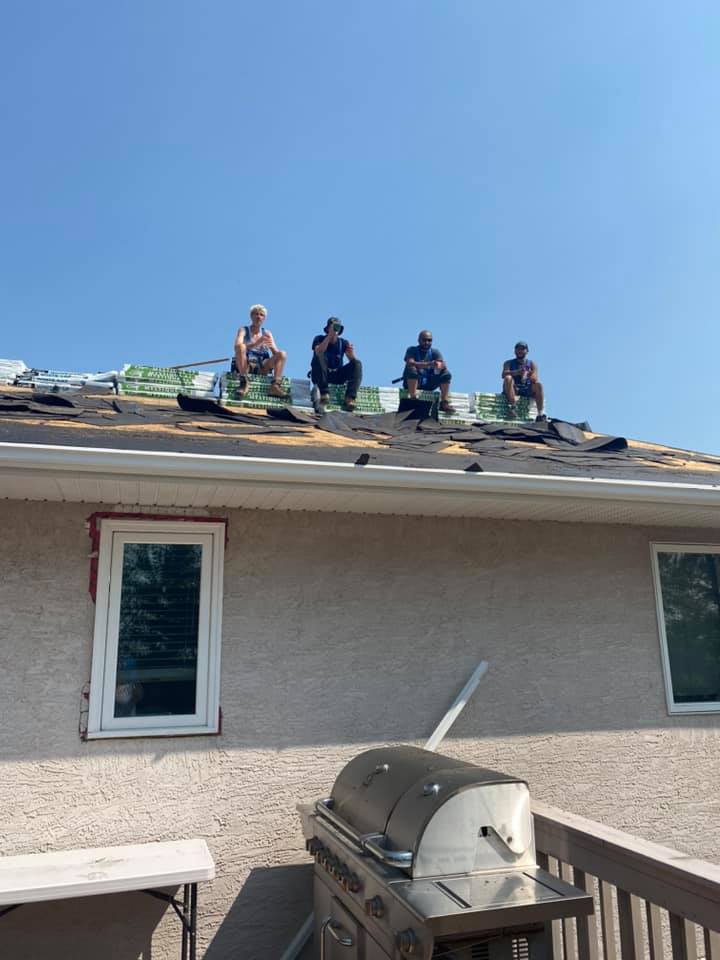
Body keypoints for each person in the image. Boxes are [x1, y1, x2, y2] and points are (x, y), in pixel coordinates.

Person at [233, 304, 289, 399]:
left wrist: (271, 347)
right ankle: (244, 382)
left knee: (282, 354)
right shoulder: (243, 330)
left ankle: (275, 386)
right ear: (251, 316)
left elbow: (277, 355)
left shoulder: (267, 333)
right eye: (256, 314)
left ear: (264, 318)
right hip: (246, 365)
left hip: (262, 367)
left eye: (261, 315)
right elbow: (237, 347)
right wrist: (257, 343)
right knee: (241, 346)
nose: (259, 317)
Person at [310, 317, 363, 412]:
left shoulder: (343, 343)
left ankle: (350, 398)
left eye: (336, 327)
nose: (335, 330)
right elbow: (318, 352)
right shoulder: (319, 338)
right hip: (321, 375)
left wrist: (351, 355)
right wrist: (329, 337)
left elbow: (353, 362)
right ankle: (324, 393)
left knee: (357, 363)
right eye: (333, 327)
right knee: (319, 356)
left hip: (337, 374)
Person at [402, 330, 455, 414]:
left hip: (428, 383)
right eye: (424, 340)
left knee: (446, 373)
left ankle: (444, 402)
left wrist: (440, 365)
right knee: (412, 368)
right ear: (419, 340)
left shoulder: (435, 352)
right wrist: (429, 364)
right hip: (414, 382)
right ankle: (413, 398)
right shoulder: (412, 350)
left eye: (429, 340)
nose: (427, 342)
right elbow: (410, 362)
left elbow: (442, 364)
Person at [502, 341, 546, 422]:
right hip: (513, 388)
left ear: (527, 351)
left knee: (539, 385)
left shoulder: (532, 364)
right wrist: (517, 372)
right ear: (515, 351)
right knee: (508, 378)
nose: (520, 351)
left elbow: (535, 379)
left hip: (526, 388)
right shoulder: (508, 363)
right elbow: (503, 374)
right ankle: (512, 407)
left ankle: (540, 414)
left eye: (522, 349)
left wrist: (526, 374)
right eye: (518, 349)